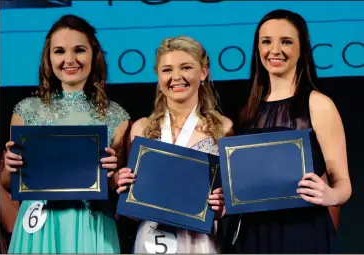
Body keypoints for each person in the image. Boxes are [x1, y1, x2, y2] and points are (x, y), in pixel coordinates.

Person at [224, 9, 352, 254]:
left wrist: (331, 195)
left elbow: (343, 182)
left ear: (301, 48)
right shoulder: (246, 111)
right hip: (250, 232)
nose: (275, 50)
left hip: (301, 231)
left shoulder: (318, 104)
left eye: (286, 41)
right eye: (266, 41)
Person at [3, 14, 130, 253]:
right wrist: (10, 168)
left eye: (79, 50)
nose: (69, 59)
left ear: (94, 55)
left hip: (91, 228)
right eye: (59, 51)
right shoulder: (26, 111)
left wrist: (115, 176)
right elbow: (8, 184)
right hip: (39, 226)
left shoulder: (117, 117)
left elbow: (116, 188)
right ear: (48, 58)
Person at [116, 36, 233, 253]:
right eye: (167, 69)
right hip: (150, 241)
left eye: (186, 67)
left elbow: (232, 198)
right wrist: (123, 187)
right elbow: (132, 210)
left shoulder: (224, 129)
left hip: (200, 242)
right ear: (158, 76)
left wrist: (224, 203)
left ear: (203, 72)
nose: (176, 77)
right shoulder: (141, 129)